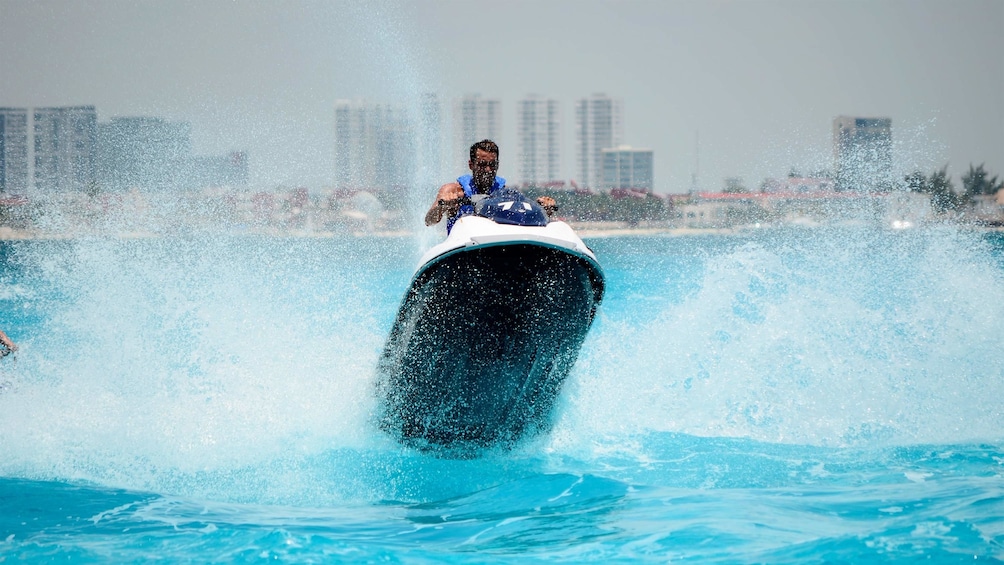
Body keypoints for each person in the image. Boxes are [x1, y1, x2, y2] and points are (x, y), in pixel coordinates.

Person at [425, 139, 558, 231]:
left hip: (493, 247)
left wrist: (544, 210)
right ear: (471, 165)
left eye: (492, 165)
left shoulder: (506, 193)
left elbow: (521, 221)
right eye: (482, 165)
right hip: (462, 247)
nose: (488, 170)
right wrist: (443, 206)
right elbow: (429, 221)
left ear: (497, 165)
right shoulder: (453, 191)